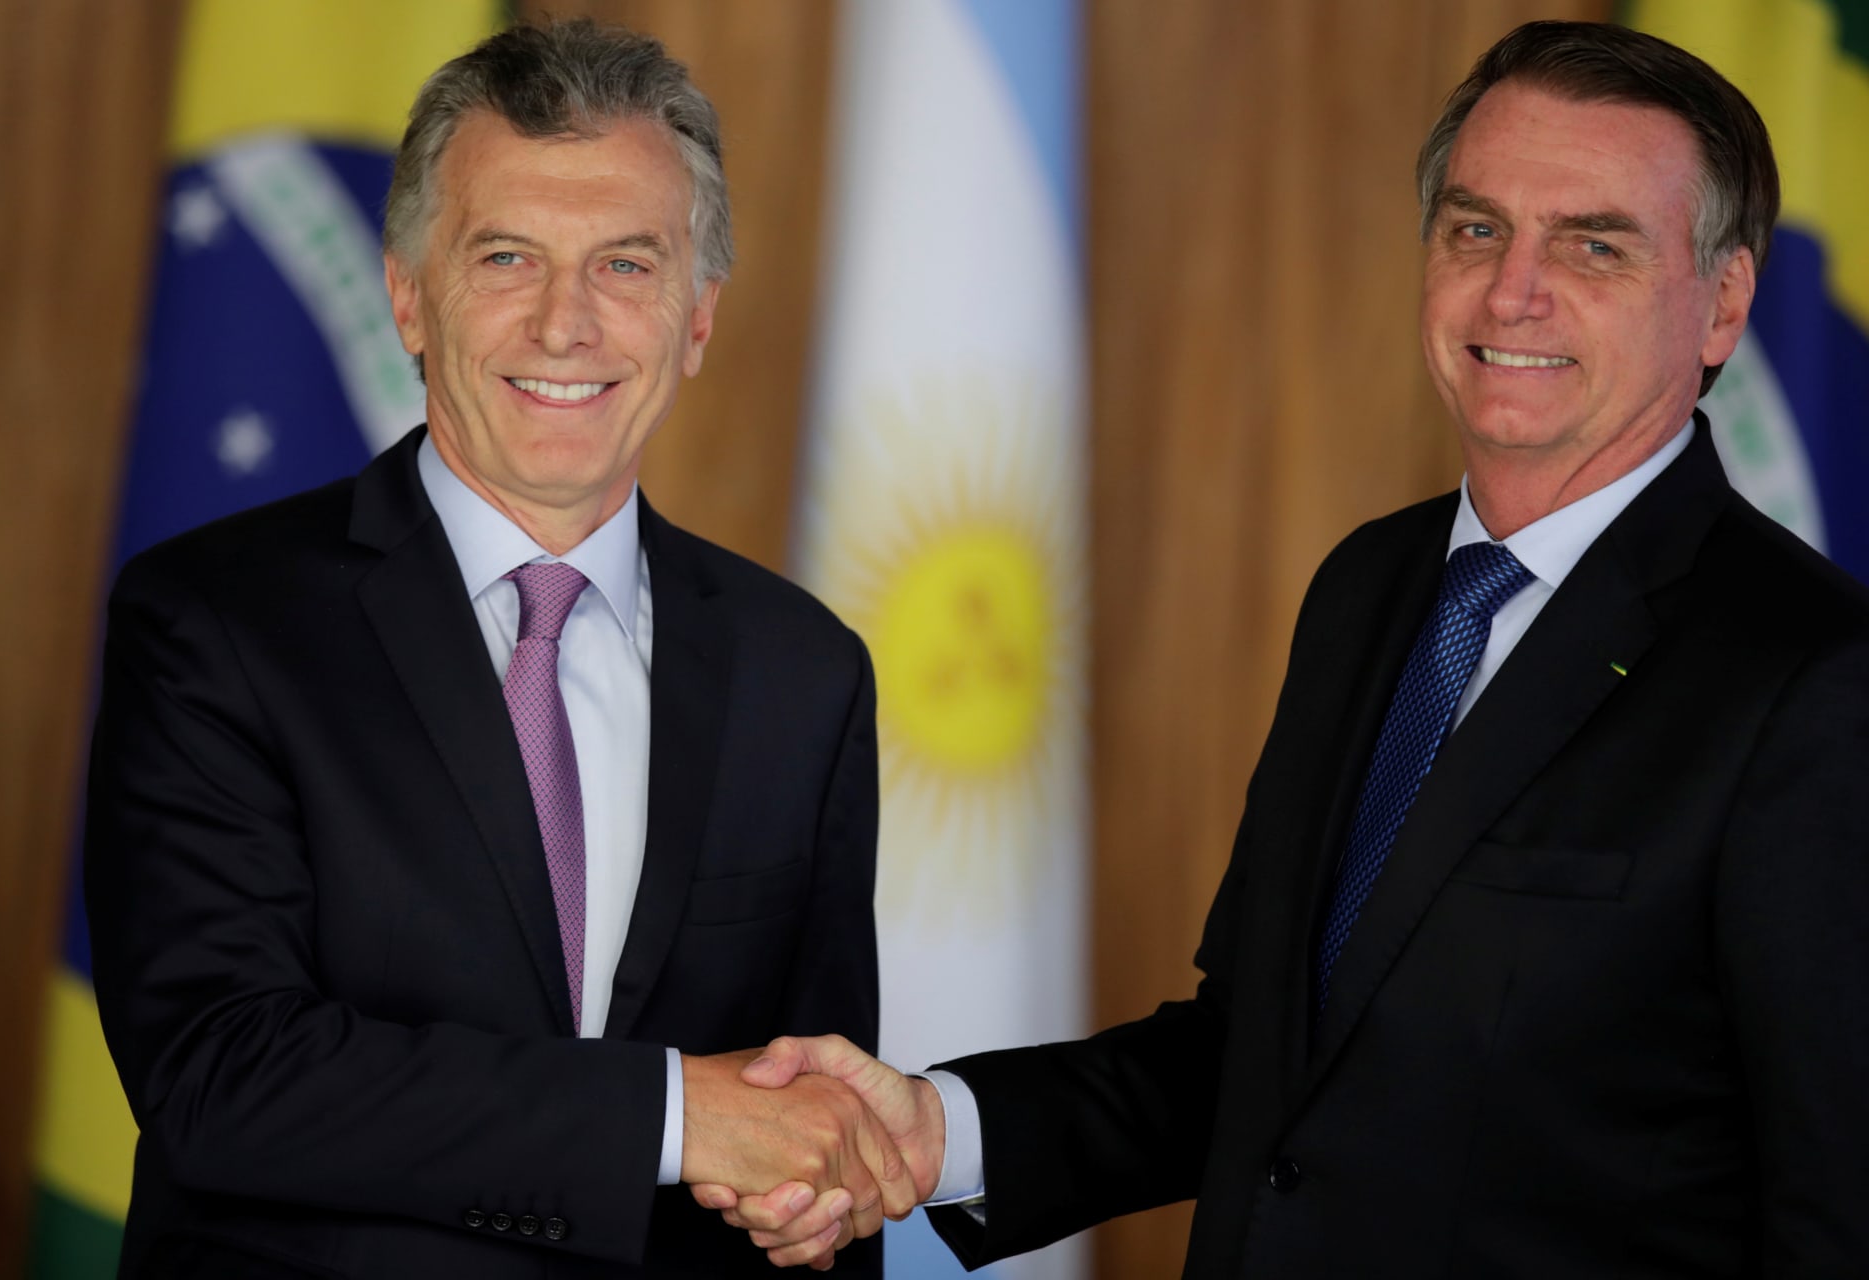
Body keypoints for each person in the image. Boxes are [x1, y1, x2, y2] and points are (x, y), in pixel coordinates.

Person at [702, 20, 1869, 1276]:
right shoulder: (1370, 587)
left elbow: (1839, 1209)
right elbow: (1263, 1055)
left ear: (1724, 303)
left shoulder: (1814, 678)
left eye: (1593, 244)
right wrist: (942, 1129)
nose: (1513, 289)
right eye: (1477, 228)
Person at [85, 19, 911, 1279]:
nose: (565, 323)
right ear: (409, 294)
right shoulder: (212, 623)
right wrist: (682, 1116)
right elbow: (223, 1074)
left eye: (628, 264)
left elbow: (807, 1121)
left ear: (697, 318)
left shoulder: (803, 670)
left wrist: (816, 1195)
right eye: (508, 255)